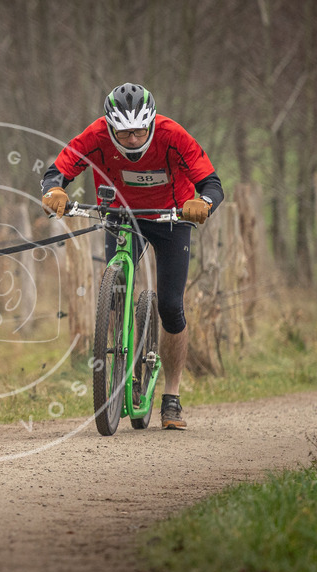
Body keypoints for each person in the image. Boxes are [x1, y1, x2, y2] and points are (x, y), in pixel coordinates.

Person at [40, 82, 225, 430]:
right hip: (121, 215)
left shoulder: (173, 135)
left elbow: (212, 183)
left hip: (172, 218)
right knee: (115, 295)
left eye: (140, 131)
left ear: (152, 123)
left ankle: (171, 397)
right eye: (124, 134)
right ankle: (123, 365)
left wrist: (204, 203)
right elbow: (58, 170)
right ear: (110, 127)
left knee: (170, 305)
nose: (133, 140)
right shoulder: (95, 136)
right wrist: (54, 190)